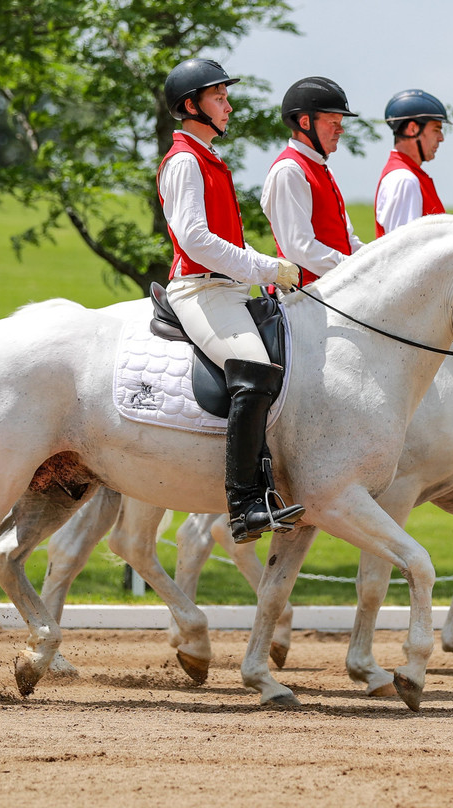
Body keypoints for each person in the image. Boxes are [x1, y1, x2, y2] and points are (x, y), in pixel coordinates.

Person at [158, 57, 304, 544]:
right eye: (219, 97)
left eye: (225, 96)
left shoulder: (209, 158)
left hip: (229, 288)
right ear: (190, 105)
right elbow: (195, 241)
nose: (229, 105)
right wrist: (266, 267)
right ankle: (244, 504)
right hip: (199, 290)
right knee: (255, 370)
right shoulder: (184, 161)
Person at [261, 77, 364, 286]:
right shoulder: (289, 171)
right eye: (333, 122)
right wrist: (355, 269)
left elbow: (347, 239)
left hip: (335, 289)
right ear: (305, 122)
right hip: (307, 297)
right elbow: (299, 248)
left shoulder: (321, 168)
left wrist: (376, 261)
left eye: (341, 123)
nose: (340, 130)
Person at [374, 89, 448, 238]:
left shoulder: (410, 176)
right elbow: (404, 253)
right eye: (436, 129)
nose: (441, 138)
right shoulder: (404, 180)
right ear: (412, 129)